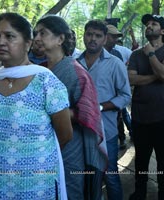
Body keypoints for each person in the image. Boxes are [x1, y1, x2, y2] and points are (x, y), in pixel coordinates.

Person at [0, 12, 73, 200]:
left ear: (28, 43)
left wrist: (30, 159)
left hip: (34, 183)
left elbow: (65, 134)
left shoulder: (46, 81)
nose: (0, 42)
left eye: (9, 36)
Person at [34, 15, 108, 200]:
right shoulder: (40, 70)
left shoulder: (76, 72)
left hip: (69, 145)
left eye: (43, 33)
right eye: (35, 33)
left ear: (60, 39)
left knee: (69, 189)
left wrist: (59, 112)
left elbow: (89, 112)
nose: (36, 38)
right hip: (43, 143)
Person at [128, 14, 164, 200]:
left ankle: (163, 194)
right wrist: (157, 74)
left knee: (163, 162)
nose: (149, 26)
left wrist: (151, 54)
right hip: (140, 116)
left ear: (163, 31)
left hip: (163, 116)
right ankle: (140, 192)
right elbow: (131, 79)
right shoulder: (135, 54)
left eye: (154, 24)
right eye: (147, 24)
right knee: (141, 160)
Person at [77, 19, 131, 200]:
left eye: (98, 36)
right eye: (89, 34)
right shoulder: (74, 63)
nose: (92, 39)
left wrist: (100, 107)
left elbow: (125, 95)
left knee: (110, 175)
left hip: (106, 131)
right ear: (83, 35)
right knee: (86, 175)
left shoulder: (115, 63)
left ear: (104, 38)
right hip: (79, 131)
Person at [104, 24, 132, 149]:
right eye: (113, 37)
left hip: (115, 97)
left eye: (116, 37)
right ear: (105, 37)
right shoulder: (88, 56)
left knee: (119, 118)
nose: (115, 40)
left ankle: (121, 138)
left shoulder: (117, 54)